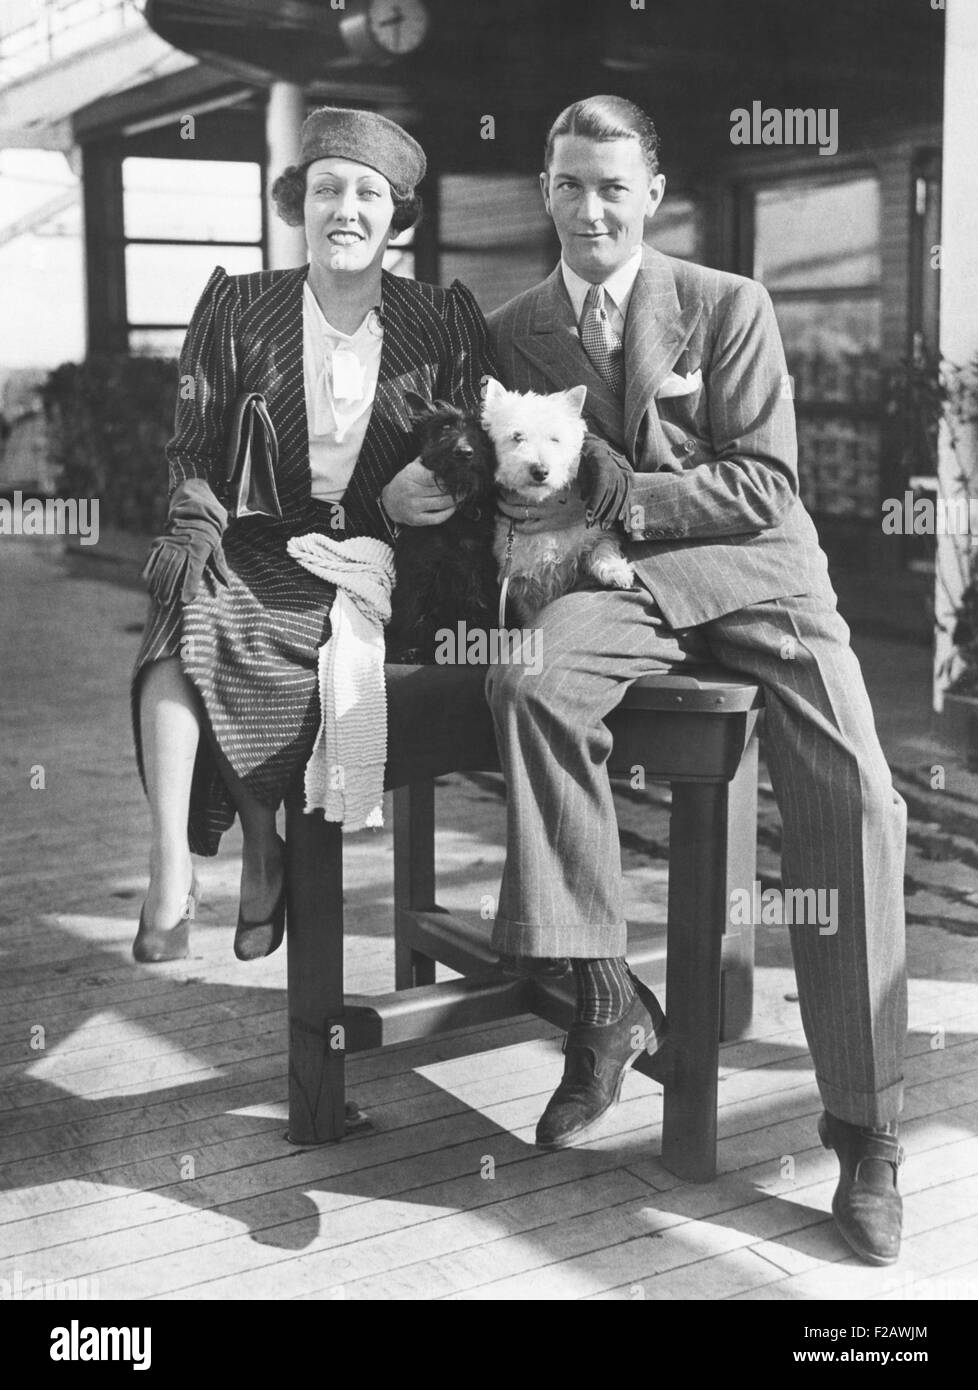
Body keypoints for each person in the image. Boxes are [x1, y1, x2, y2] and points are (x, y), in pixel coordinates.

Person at [484, 94, 908, 1267]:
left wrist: (621, 494)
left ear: (652, 194)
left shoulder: (731, 305)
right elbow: (507, 477)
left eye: (613, 185)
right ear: (544, 192)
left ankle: (866, 1131)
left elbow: (767, 486)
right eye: (568, 184)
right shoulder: (516, 326)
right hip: (616, 588)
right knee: (524, 686)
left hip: (760, 582)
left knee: (861, 798)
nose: (589, 208)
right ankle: (608, 1002)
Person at [132, 105, 493, 964]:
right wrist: (192, 515)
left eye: (368, 193)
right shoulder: (237, 306)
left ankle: (263, 853)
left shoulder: (439, 320)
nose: (346, 209)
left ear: (395, 213)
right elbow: (191, 441)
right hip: (264, 542)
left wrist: (431, 486)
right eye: (326, 188)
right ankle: (172, 866)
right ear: (299, 201)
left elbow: (483, 440)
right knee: (189, 613)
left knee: (262, 637)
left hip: (388, 557)